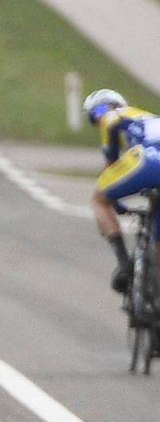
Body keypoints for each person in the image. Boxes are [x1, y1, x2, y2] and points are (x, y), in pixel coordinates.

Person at [83, 88, 160, 292]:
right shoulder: (149, 118)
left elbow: (111, 165)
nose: (98, 117)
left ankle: (124, 266)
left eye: (98, 111)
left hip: (148, 159)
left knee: (98, 200)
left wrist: (115, 202)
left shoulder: (113, 116)